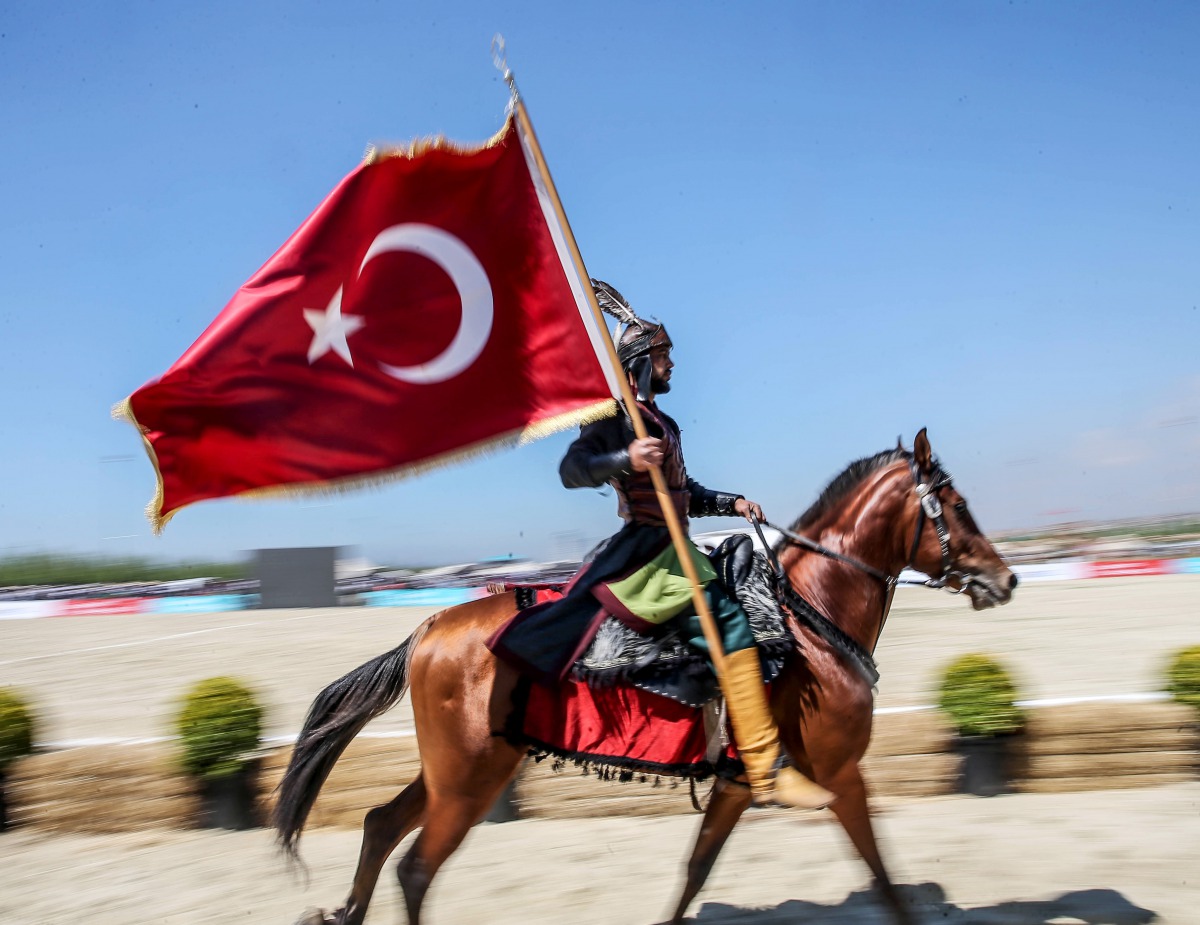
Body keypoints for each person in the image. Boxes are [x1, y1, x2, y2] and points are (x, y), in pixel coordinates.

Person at [488, 280, 832, 809]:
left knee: (749, 602)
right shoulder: (616, 417)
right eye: (666, 355)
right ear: (643, 360)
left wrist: (730, 502)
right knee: (730, 620)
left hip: (678, 544)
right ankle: (764, 768)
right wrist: (627, 459)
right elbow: (571, 470)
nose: (674, 365)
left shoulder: (661, 422)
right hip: (647, 553)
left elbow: (683, 493)